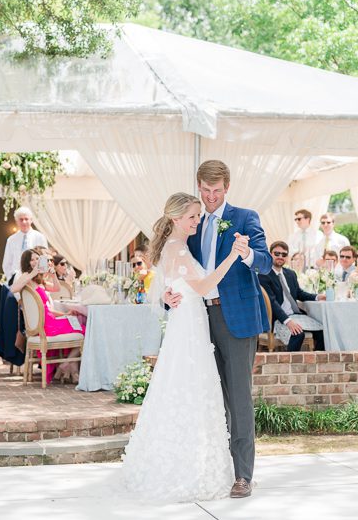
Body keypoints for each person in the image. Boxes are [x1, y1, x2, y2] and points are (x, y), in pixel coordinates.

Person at [122, 192, 245, 502]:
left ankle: (193, 461)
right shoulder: (176, 248)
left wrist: (166, 290)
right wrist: (232, 255)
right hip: (189, 327)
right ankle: (183, 468)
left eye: (199, 215)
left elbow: (171, 281)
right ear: (176, 219)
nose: (198, 220)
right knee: (190, 388)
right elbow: (203, 287)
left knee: (188, 389)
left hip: (189, 324)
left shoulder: (175, 247)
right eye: (192, 216)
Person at [163, 161, 272, 499]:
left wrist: (248, 253)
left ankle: (242, 475)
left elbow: (266, 263)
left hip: (235, 319)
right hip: (197, 321)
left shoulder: (245, 218)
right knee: (209, 396)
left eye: (217, 191)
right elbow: (181, 271)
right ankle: (214, 466)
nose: (210, 198)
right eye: (205, 190)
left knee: (238, 397)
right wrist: (168, 297)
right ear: (198, 187)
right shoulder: (193, 223)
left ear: (227, 187)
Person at [11, 249, 85, 383]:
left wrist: (53, 275)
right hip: (44, 326)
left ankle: (69, 366)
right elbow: (13, 289)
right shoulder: (26, 277)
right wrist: (32, 273)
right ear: (27, 262)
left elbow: (56, 290)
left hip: (49, 321)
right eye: (32, 259)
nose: (35, 262)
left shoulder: (40, 280)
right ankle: (68, 366)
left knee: (79, 324)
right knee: (83, 330)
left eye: (37, 259)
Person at [259, 241, 325, 351]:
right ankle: (288, 366)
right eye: (277, 253)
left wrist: (317, 297)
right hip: (277, 319)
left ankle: (315, 365)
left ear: (287, 257)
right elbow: (272, 302)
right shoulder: (263, 274)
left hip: (296, 315)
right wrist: (288, 321)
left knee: (323, 332)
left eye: (284, 254)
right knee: (298, 334)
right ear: (270, 254)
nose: (280, 257)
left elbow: (299, 293)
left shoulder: (290, 274)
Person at [1, 206, 47, 284]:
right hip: (16, 279)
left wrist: (40, 278)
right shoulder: (11, 240)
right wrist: (11, 278)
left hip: (35, 280)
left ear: (31, 220)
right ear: (17, 221)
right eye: (21, 219)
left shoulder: (40, 237)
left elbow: (44, 261)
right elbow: (6, 263)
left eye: (26, 219)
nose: (24, 222)